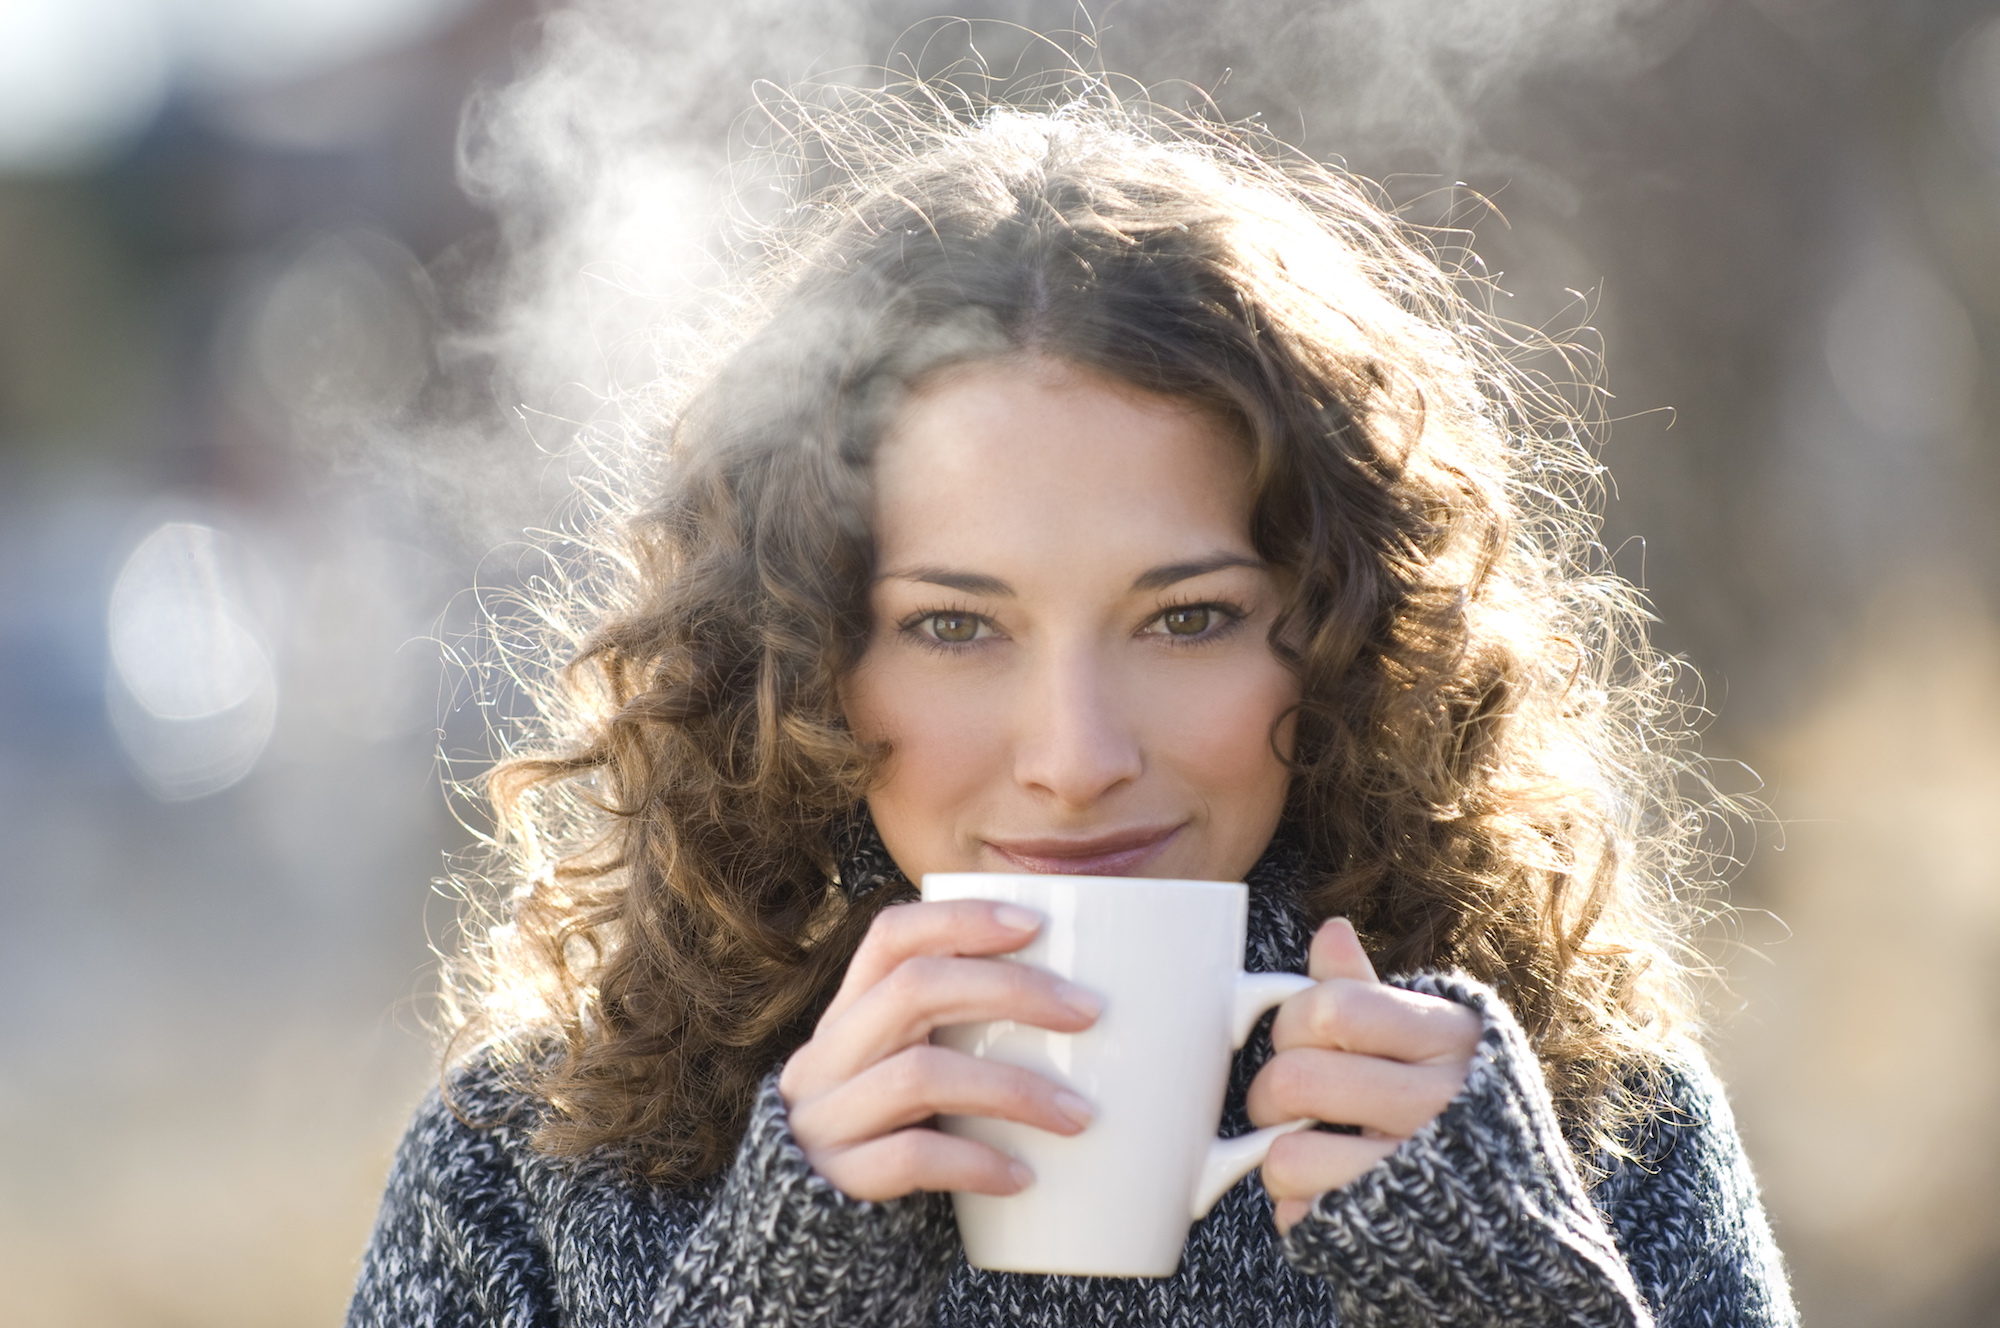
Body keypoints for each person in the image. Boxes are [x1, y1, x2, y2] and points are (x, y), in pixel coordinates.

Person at [347, 82, 1797, 1328]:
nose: (1077, 758)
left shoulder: (1594, 1131)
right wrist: (773, 1284)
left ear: (1347, 640)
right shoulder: (526, 1175)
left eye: (1187, 619)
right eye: (955, 627)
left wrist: (1515, 1295)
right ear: (792, 662)